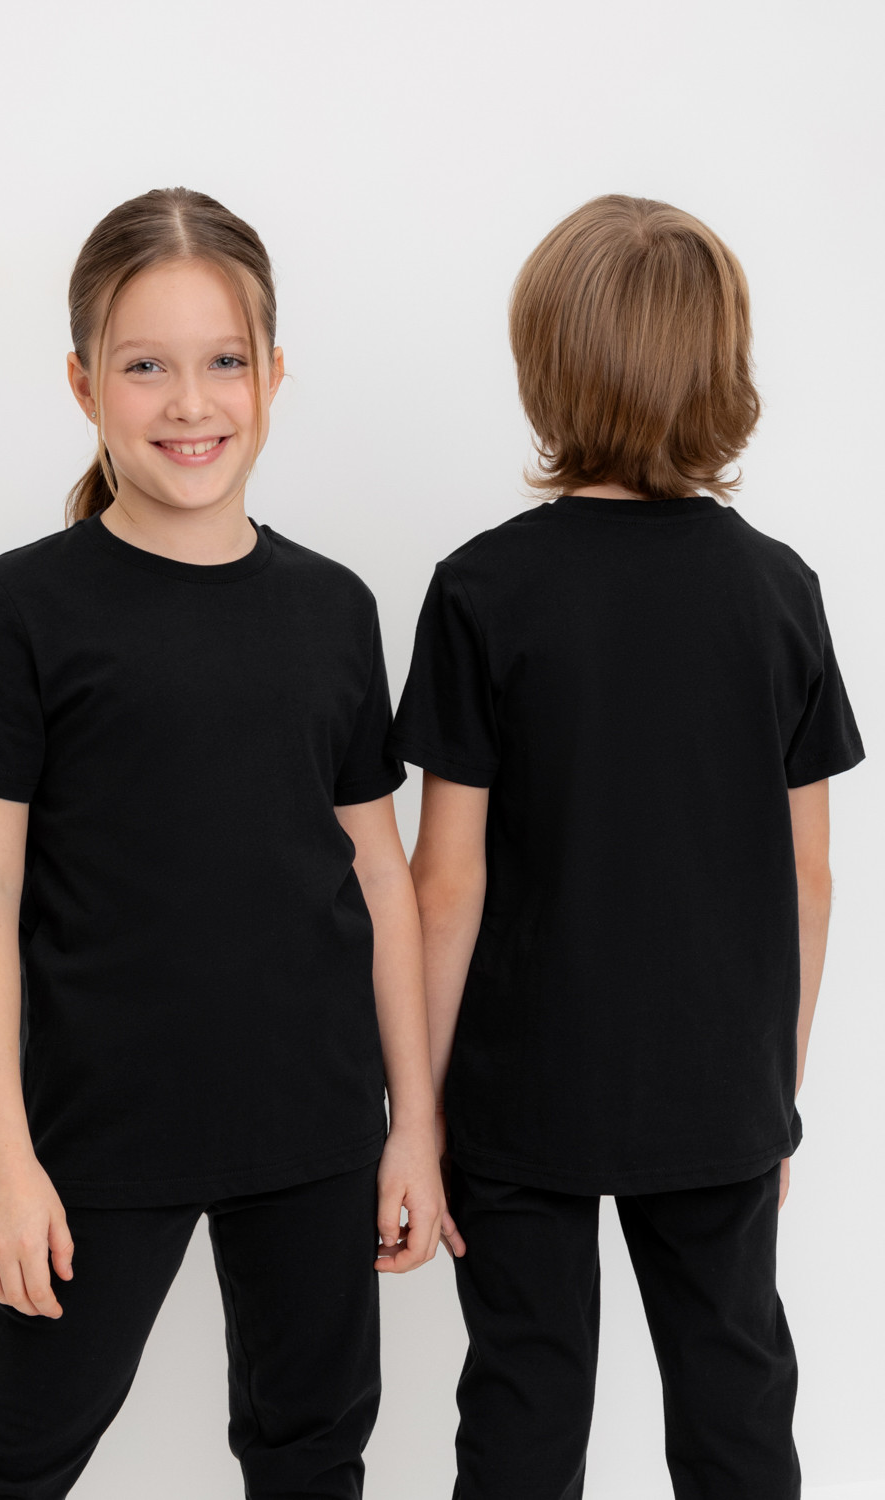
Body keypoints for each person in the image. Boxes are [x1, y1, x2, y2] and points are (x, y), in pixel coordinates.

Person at [0, 185, 443, 1500]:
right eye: (146, 366)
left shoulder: (332, 608)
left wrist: (415, 1125)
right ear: (84, 383)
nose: (190, 403)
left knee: (313, 1453)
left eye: (223, 363)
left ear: (273, 374)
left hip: (318, 1126)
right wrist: (0, 1158)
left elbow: (379, 875)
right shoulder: (23, 608)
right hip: (100, 1136)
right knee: (12, 1456)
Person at [385, 194, 866, 1500]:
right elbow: (811, 877)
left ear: (546, 363)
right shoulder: (779, 590)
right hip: (718, 1086)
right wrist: (773, 1089)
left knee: (523, 1403)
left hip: (521, 1089)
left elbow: (446, 884)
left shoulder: (484, 589)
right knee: (735, 1401)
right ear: (721, 368)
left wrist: (416, 1114)